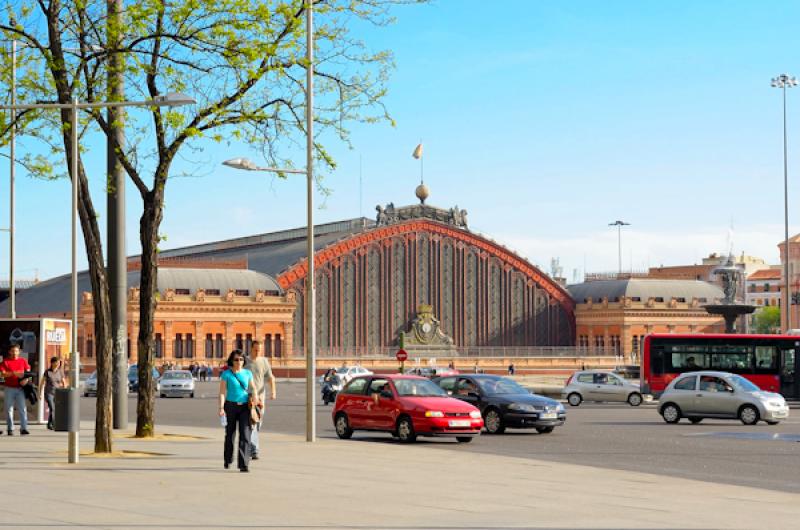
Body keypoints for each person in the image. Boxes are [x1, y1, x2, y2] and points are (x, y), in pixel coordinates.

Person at [218, 350, 257, 472]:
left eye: (241, 359)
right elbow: (222, 393)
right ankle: (228, 459)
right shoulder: (226, 374)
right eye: (236, 359)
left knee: (245, 435)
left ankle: (243, 464)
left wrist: (255, 398)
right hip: (230, 406)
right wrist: (221, 408)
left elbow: (253, 388)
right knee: (230, 435)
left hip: (245, 407)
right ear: (231, 361)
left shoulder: (247, 373)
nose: (239, 362)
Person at [248, 340, 276, 460]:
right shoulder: (245, 362)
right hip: (248, 395)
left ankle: (251, 444)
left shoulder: (264, 361)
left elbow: (270, 377)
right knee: (252, 422)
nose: (258, 352)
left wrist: (273, 391)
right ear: (251, 349)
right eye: (256, 350)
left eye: (259, 350)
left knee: (258, 422)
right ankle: (254, 449)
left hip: (261, 396)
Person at [0, 344, 31, 436]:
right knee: (9, 409)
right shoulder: (5, 362)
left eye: (16, 351)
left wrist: (26, 379)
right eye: (12, 351)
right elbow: (2, 375)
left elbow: (29, 373)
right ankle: (10, 428)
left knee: (22, 409)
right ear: (10, 352)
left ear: (19, 352)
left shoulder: (23, 361)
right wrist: (14, 373)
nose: (14, 353)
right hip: (9, 388)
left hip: (20, 388)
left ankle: (24, 428)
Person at [39, 357, 66, 430]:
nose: (58, 364)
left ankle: (49, 424)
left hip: (57, 393)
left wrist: (65, 392)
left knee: (53, 409)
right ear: (52, 363)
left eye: (59, 362)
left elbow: (64, 382)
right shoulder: (47, 372)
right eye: (56, 362)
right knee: (52, 408)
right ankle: (54, 424)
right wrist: (40, 394)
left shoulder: (60, 372)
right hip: (49, 393)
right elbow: (42, 383)